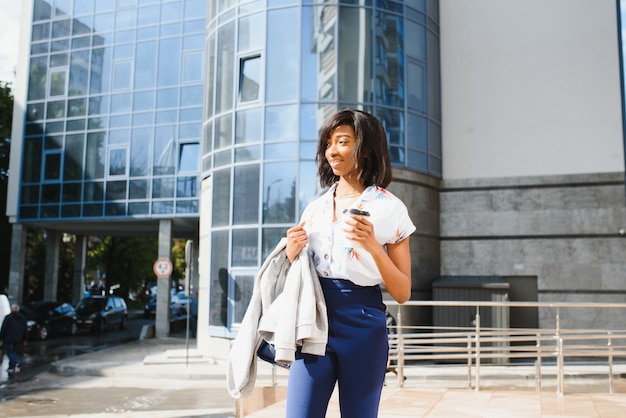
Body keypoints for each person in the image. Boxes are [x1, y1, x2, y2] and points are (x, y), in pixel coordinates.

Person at [284, 109, 416, 418]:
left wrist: (372, 246)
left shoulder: (390, 209)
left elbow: (403, 292)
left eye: (343, 141)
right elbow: (301, 272)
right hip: (313, 320)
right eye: (329, 142)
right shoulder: (314, 209)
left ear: (366, 149)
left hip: (363, 325)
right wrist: (291, 255)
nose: (332, 150)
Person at [0, 303, 28, 375]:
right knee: (13, 351)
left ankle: (15, 363)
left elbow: (4, 328)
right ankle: (11, 367)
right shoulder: (23, 317)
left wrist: (1, 338)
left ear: (12, 309)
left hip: (8, 338)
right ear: (18, 309)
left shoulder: (8, 317)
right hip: (18, 338)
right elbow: (25, 329)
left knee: (10, 352)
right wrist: (24, 339)